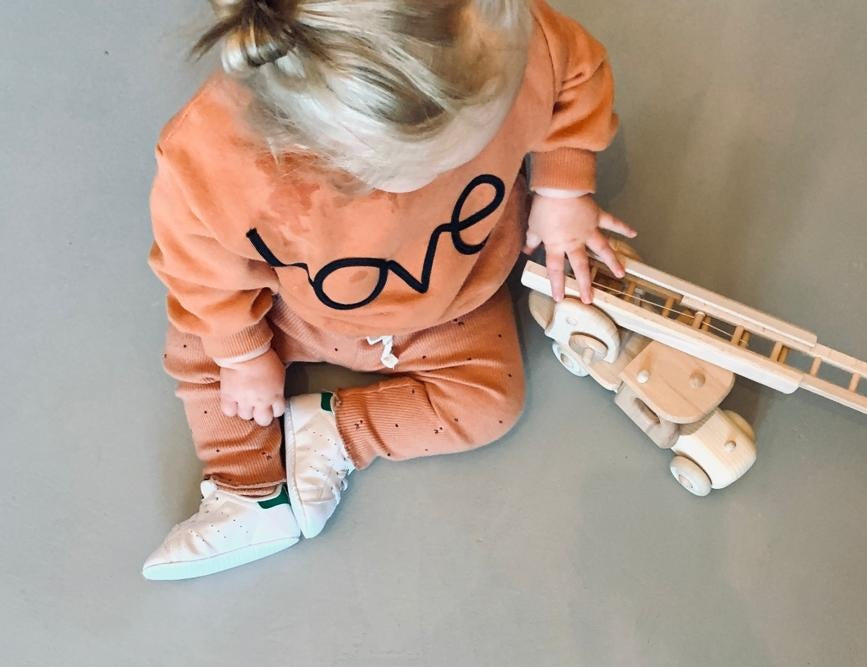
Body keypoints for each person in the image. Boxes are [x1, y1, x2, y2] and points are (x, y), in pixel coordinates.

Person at [144, 0, 634, 580]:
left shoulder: (502, 35)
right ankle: (248, 490)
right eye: (453, 155)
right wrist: (244, 354)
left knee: (491, 402)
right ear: (341, 154)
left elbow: (574, 76)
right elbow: (202, 271)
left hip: (453, 299)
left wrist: (562, 189)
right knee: (202, 347)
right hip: (290, 310)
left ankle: (336, 432)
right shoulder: (214, 159)